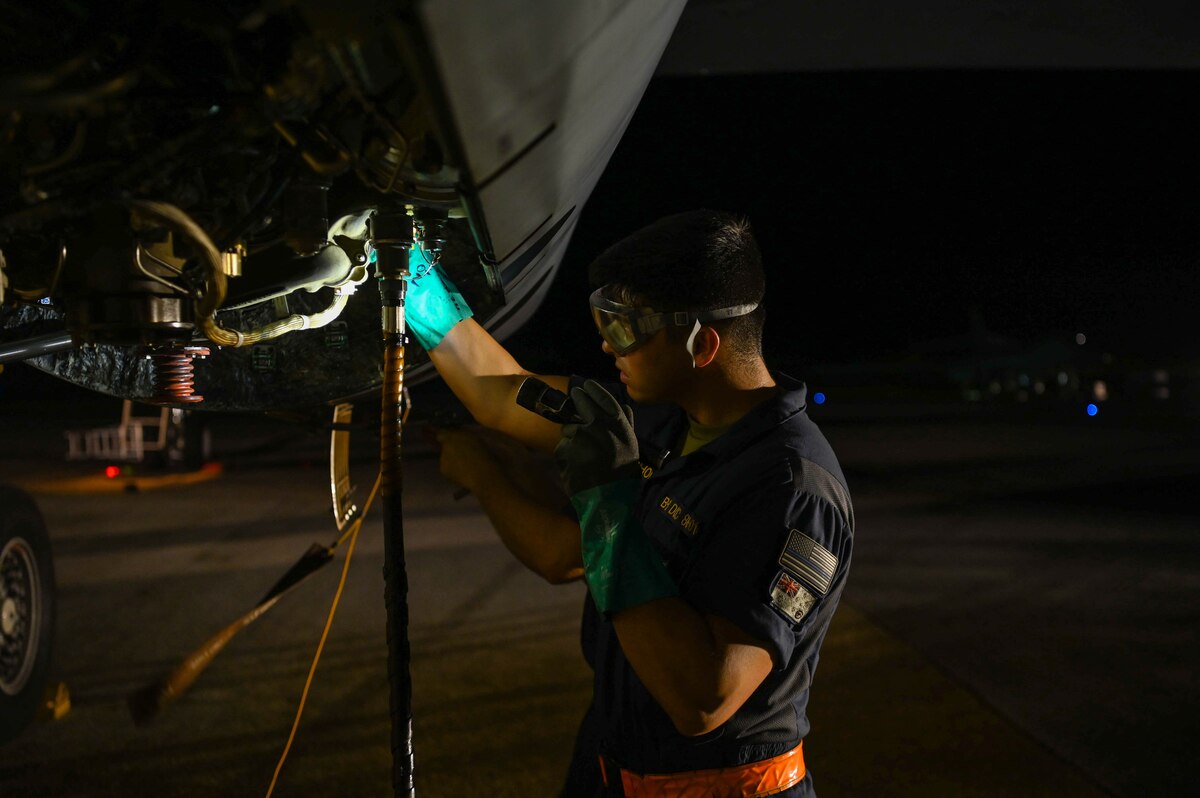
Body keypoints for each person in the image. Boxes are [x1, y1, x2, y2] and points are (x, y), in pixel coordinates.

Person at [410, 209, 853, 797]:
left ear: (703, 341)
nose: (603, 342)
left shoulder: (792, 489)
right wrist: (414, 279)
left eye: (623, 328)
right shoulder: (658, 423)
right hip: (612, 767)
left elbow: (705, 698)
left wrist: (608, 501)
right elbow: (500, 394)